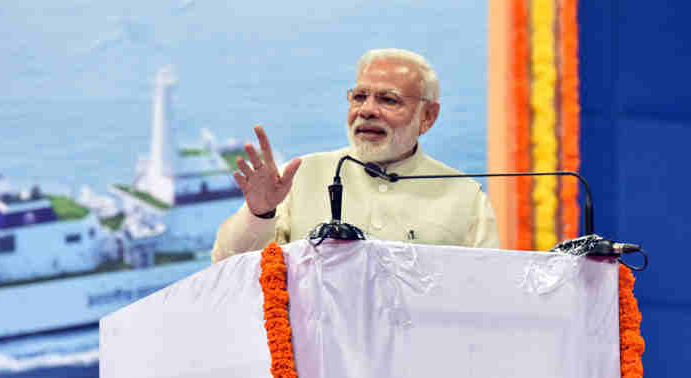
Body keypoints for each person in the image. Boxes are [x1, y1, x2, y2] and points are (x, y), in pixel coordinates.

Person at [211, 48, 498, 263]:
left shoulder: (466, 198)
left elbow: (489, 290)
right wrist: (260, 212)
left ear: (428, 116)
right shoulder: (301, 176)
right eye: (359, 97)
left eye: (388, 99)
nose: (367, 110)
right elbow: (226, 265)